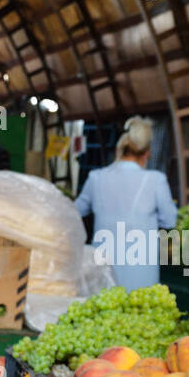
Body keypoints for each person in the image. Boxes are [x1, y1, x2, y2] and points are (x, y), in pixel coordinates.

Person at [74, 116, 177, 290]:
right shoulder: (156, 180)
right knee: (138, 312)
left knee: (100, 311)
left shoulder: (96, 177)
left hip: (103, 266)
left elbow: (75, 211)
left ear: (120, 150)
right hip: (140, 268)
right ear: (147, 154)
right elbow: (170, 220)